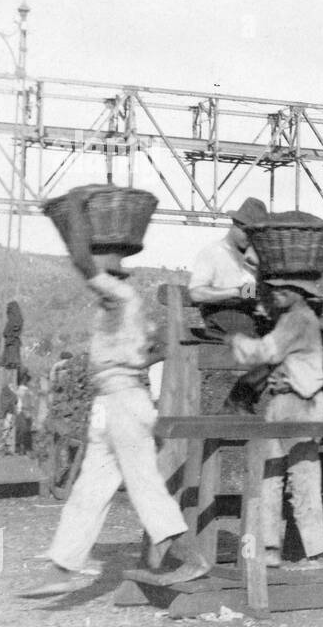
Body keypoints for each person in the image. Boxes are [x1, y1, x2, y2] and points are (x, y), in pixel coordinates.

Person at [22, 188, 210, 596]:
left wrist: (73, 208)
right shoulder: (118, 310)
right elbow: (151, 351)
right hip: (110, 403)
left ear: (114, 273)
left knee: (143, 485)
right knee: (91, 487)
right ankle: (62, 567)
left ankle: (190, 558)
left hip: (125, 403)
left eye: (100, 265)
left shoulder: (121, 296)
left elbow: (79, 260)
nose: (94, 274)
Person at [228, 275, 323, 571]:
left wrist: (235, 340)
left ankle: (315, 554)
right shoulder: (290, 318)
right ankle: (269, 548)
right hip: (281, 400)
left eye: (281, 291)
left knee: (303, 477)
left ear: (295, 293)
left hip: (303, 402)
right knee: (269, 477)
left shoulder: (299, 318)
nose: (276, 296)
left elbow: (266, 352)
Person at [189, 196, 270, 413]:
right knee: (263, 347)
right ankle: (238, 401)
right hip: (220, 314)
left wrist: (259, 298)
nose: (249, 238)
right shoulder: (213, 252)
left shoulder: (252, 257)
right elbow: (196, 293)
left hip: (247, 313)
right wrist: (234, 293)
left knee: (283, 340)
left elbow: (250, 290)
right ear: (234, 225)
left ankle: (241, 400)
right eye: (246, 232)